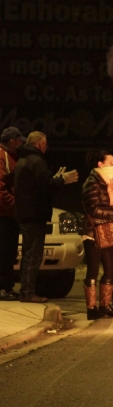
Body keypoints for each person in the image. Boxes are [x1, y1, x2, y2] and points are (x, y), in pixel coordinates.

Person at [13, 131, 78, 303]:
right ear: (40, 144)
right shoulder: (37, 161)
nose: (46, 147)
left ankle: (26, 291)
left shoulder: (22, 160)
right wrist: (62, 180)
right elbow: (45, 185)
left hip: (25, 213)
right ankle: (28, 293)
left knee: (28, 253)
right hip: (35, 214)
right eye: (45, 144)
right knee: (33, 255)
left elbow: (34, 185)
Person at [81, 150, 113, 319]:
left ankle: (105, 306)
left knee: (110, 269)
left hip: (107, 230)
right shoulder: (92, 183)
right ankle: (91, 308)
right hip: (93, 232)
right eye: (110, 163)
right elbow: (94, 209)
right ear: (100, 164)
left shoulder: (110, 183)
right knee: (93, 270)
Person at [0, 127, 26, 300]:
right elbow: (1, 189)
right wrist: (15, 205)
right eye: (18, 141)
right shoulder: (2, 156)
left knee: (9, 252)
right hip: (4, 214)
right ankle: (3, 288)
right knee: (4, 252)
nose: (21, 144)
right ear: (11, 141)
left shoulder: (10, 156)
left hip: (8, 214)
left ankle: (6, 287)